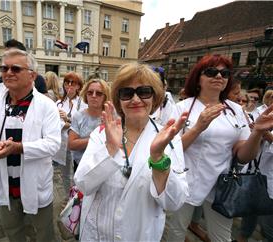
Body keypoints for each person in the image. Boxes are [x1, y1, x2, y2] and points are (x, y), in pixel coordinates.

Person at [74, 63, 188, 241]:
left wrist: (158, 159)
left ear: (155, 96)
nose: (135, 99)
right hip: (96, 234)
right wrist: (111, 149)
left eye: (144, 92)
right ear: (118, 99)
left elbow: (174, 202)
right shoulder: (102, 133)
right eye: (127, 93)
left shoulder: (169, 139)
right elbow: (83, 184)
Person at [165, 54, 273, 241]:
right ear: (198, 78)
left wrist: (257, 132)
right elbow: (170, 151)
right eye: (211, 72)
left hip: (223, 184)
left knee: (222, 236)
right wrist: (198, 127)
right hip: (185, 181)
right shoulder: (182, 108)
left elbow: (243, 156)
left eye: (224, 73)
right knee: (176, 231)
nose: (219, 76)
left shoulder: (235, 110)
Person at [0, 49, 61, 242]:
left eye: (15, 68)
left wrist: (19, 148)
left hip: (35, 185)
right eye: (4, 68)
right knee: (13, 232)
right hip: (6, 185)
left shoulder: (46, 106)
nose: (8, 72)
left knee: (44, 233)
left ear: (32, 75)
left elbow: (53, 144)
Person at [235, 90, 273, 242]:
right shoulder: (263, 113)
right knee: (250, 210)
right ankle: (242, 238)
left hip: (270, 179)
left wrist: (268, 137)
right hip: (256, 171)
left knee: (268, 223)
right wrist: (256, 134)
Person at [53, 71, 87, 195]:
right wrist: (66, 123)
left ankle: (79, 196)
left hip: (78, 144)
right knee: (65, 173)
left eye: (73, 83)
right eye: (67, 82)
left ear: (79, 86)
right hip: (63, 144)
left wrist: (67, 120)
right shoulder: (58, 103)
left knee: (78, 172)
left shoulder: (83, 104)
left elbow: (84, 124)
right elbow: (52, 123)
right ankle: (68, 197)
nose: (70, 85)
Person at [68, 78, 110, 172]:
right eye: (90, 92)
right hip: (81, 166)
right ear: (86, 95)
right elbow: (71, 144)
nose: (93, 96)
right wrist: (96, 139)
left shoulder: (110, 116)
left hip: (104, 166)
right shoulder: (78, 116)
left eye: (98, 93)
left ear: (105, 97)